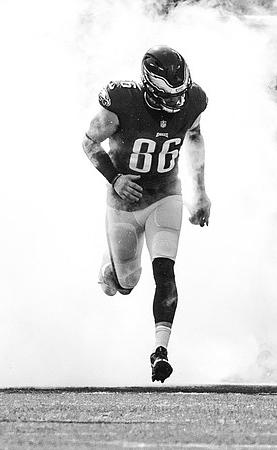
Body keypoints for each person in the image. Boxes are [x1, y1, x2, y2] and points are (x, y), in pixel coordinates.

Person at [82, 45, 210, 383]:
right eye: (167, 96)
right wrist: (116, 178)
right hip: (124, 203)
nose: (176, 103)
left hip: (166, 195)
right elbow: (89, 143)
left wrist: (200, 191)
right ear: (148, 87)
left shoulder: (194, 101)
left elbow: (195, 139)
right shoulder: (121, 102)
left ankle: (160, 351)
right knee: (124, 283)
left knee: (165, 269)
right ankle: (110, 265)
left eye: (180, 94)